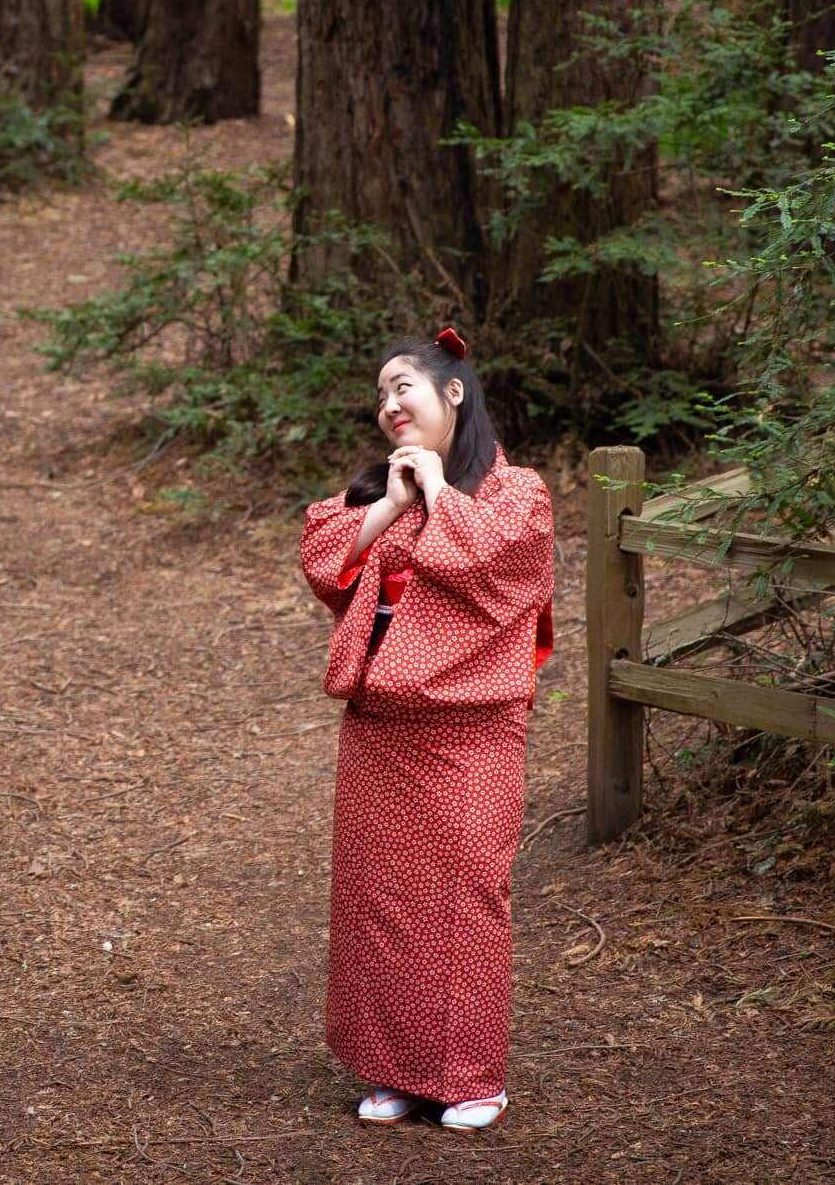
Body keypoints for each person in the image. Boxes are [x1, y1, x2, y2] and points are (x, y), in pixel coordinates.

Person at [297, 328, 555, 1132]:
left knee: (465, 895)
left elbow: (490, 564)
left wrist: (441, 490)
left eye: (402, 386)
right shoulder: (386, 492)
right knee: (382, 899)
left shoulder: (517, 493)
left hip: (471, 727)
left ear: (453, 392)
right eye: (380, 395)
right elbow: (319, 559)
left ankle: (471, 1075)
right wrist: (392, 503)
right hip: (380, 726)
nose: (388, 405)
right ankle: (396, 1070)